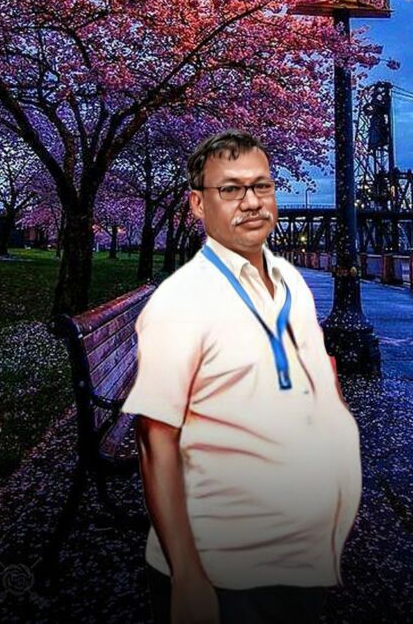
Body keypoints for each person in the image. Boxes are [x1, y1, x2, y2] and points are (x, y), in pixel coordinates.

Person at [121, 130, 362, 624]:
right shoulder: (180, 300)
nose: (252, 202)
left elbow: (320, 372)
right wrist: (187, 576)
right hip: (222, 565)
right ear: (197, 204)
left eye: (262, 186)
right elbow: (154, 438)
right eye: (230, 189)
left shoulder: (291, 281)